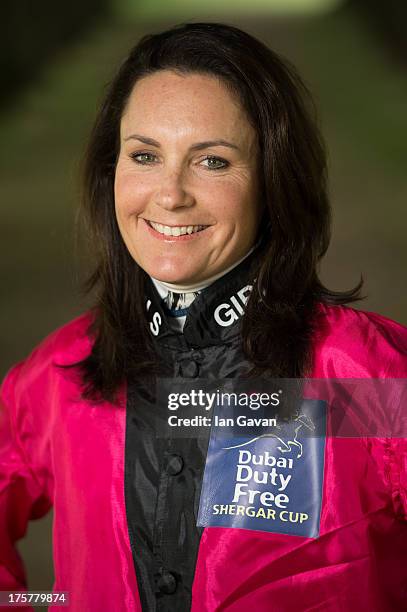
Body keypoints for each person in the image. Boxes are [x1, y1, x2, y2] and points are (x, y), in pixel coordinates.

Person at [0, 22, 406, 612]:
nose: (170, 194)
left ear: (273, 180)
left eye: (212, 161)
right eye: (144, 155)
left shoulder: (363, 374)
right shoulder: (60, 373)